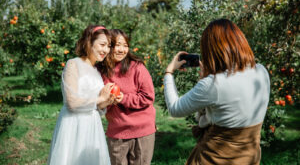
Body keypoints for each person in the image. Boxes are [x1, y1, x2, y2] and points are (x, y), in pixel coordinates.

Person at [164, 19, 270, 165]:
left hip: (214, 158)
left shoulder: (214, 84)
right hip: (249, 158)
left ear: (211, 50)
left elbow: (175, 109)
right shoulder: (262, 71)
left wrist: (168, 73)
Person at [48, 25, 115, 165]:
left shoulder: (96, 71)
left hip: (92, 126)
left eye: (108, 46)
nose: (105, 50)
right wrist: (100, 98)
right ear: (89, 41)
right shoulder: (73, 64)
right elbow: (71, 102)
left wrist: (108, 100)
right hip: (73, 125)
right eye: (102, 44)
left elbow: (97, 106)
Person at [100, 29, 156, 165]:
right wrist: (106, 100)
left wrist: (123, 98)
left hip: (142, 131)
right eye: (117, 45)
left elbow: (148, 97)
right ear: (108, 46)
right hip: (117, 132)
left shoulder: (137, 67)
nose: (121, 50)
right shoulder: (100, 71)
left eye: (125, 45)